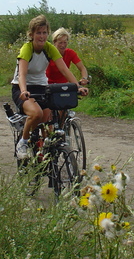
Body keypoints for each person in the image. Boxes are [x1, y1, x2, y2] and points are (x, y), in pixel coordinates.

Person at [11, 15, 88, 159]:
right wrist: (23, 90)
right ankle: (23, 142)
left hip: (41, 86)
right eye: (38, 33)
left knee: (48, 119)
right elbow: (22, 74)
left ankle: (45, 154)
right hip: (22, 88)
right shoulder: (27, 49)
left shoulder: (50, 48)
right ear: (32, 34)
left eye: (44, 32)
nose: (42, 36)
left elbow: (65, 70)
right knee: (36, 114)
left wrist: (77, 87)